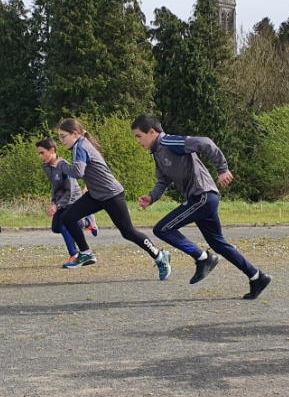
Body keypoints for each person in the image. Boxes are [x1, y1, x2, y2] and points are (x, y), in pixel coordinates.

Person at [131, 113, 271, 298]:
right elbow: (163, 180)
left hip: (202, 196)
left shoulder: (170, 143)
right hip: (202, 200)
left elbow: (205, 143)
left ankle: (203, 258)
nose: (138, 141)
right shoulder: (157, 153)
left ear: (151, 132)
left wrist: (222, 169)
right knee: (218, 244)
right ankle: (256, 277)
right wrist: (151, 197)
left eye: (138, 136)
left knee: (163, 229)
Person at [56, 118, 171, 278]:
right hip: (96, 195)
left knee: (128, 232)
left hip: (111, 194)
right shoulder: (80, 144)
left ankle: (160, 256)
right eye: (59, 137)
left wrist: (60, 163)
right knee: (68, 217)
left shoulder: (80, 146)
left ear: (75, 133)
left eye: (63, 136)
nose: (61, 141)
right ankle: (86, 253)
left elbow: (78, 172)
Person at [36, 137, 83, 267]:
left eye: (42, 153)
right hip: (61, 201)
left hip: (73, 200)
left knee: (64, 225)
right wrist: (53, 202)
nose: (40, 156)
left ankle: (74, 255)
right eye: (39, 153)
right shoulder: (46, 166)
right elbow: (55, 186)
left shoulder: (64, 166)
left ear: (52, 150)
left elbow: (70, 191)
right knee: (56, 228)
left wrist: (58, 206)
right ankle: (83, 222)